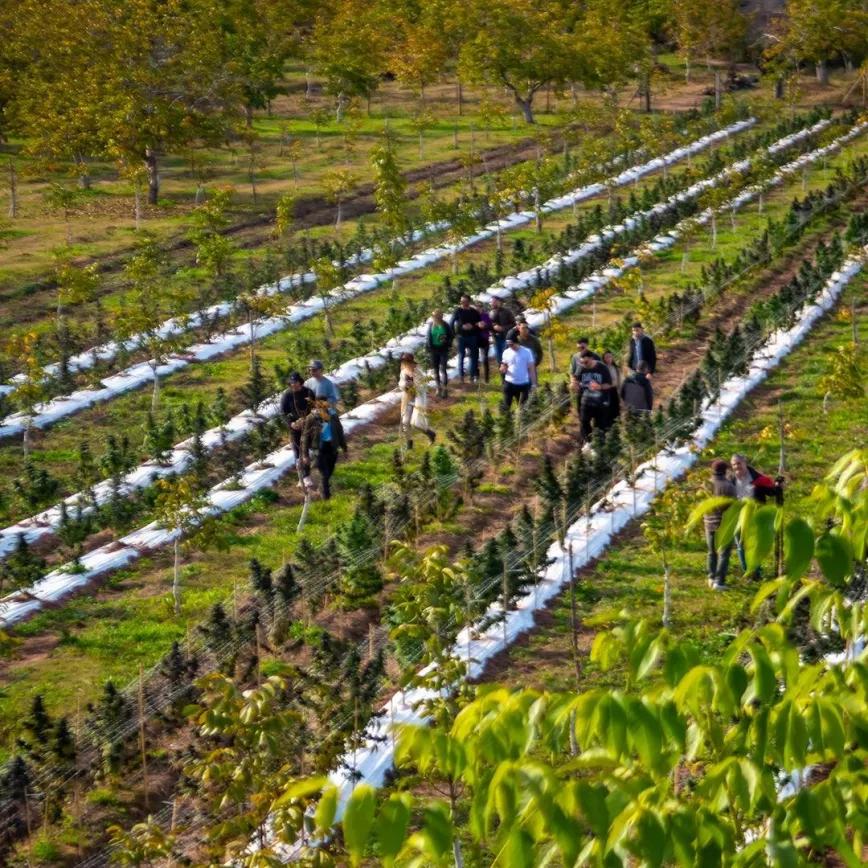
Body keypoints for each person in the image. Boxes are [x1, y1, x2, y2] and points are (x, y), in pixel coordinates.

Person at [730, 453, 783, 577]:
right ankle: (747, 571)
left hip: (755, 516)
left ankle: (756, 571)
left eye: (739, 463)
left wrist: (778, 486)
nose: (737, 467)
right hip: (737, 517)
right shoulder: (731, 479)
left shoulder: (757, 478)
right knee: (741, 545)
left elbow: (771, 492)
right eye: (734, 464)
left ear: (745, 463)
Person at [280, 372, 317, 490]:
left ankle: (312, 473)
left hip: (309, 427)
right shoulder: (287, 395)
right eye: (291, 383)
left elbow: (316, 409)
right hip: (295, 428)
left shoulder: (308, 392)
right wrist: (291, 423)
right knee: (299, 452)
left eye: (295, 382)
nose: (293, 385)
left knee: (310, 450)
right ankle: (304, 477)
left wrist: (307, 420)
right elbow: (283, 413)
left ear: (300, 382)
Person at [704, 459, 736, 590]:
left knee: (711, 552)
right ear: (725, 470)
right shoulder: (728, 486)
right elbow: (732, 507)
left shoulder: (706, 484)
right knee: (724, 553)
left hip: (708, 522)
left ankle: (711, 577)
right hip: (723, 524)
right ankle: (719, 581)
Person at [572, 351, 613, 443]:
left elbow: (609, 384)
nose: (584, 364)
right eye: (581, 362)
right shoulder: (581, 367)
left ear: (591, 358)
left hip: (600, 402)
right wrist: (574, 384)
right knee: (584, 422)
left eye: (586, 362)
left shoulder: (602, 368)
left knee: (600, 426)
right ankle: (588, 443)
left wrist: (600, 387)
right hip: (586, 401)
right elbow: (575, 378)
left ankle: (599, 445)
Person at [398, 352, 436, 447]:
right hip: (407, 399)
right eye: (404, 361)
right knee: (405, 422)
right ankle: (409, 445)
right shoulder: (403, 372)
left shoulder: (418, 371)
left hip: (418, 399)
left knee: (416, 423)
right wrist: (404, 385)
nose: (405, 363)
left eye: (407, 361)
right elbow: (400, 384)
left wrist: (415, 385)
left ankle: (430, 433)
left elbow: (423, 385)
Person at [499, 334, 537, 410]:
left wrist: (534, 384)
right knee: (506, 407)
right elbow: (503, 366)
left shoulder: (527, 352)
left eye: (512, 344)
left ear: (517, 342)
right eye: (509, 345)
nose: (510, 347)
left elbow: (532, 369)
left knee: (523, 409)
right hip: (509, 383)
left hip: (523, 384)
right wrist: (502, 369)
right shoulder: (506, 352)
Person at [451, 294, 481, 381]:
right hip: (461, 337)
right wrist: (455, 333)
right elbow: (452, 322)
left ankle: (472, 375)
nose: (463, 303)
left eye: (465, 301)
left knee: (473, 356)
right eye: (461, 301)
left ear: (469, 302)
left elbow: (479, 323)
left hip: (472, 337)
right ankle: (461, 376)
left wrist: (472, 326)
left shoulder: (474, 312)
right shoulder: (458, 311)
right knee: (461, 356)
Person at [427, 309, 453, 398]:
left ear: (441, 316)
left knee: (443, 369)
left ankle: (445, 389)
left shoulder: (445, 325)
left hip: (443, 349)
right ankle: (438, 387)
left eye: (437, 316)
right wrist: (429, 347)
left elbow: (451, 335)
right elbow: (428, 337)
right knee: (436, 370)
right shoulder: (431, 325)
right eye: (434, 316)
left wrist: (447, 342)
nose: (435, 317)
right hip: (434, 350)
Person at [489, 296, 516, 364]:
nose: (492, 303)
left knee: (507, 356)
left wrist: (503, 328)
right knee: (499, 358)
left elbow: (513, 324)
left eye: (494, 302)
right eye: (491, 302)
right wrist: (493, 326)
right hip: (495, 338)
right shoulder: (490, 313)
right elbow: (490, 325)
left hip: (506, 337)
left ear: (499, 302)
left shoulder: (507, 311)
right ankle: (502, 373)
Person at [602, 350, 622, 424]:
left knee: (615, 410)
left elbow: (618, 381)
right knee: (607, 411)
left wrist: (620, 392)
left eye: (610, 357)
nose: (609, 359)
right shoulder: (602, 368)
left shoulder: (615, 368)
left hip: (614, 391)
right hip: (605, 392)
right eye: (606, 357)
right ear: (604, 358)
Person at [477, 307, 493, 383]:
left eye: (479, 308)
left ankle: (486, 379)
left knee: (484, 359)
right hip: (475, 339)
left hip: (485, 339)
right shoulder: (473, 316)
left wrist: (485, 325)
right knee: (474, 359)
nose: (478, 310)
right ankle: (476, 377)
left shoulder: (486, 315)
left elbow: (490, 326)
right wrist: (477, 325)